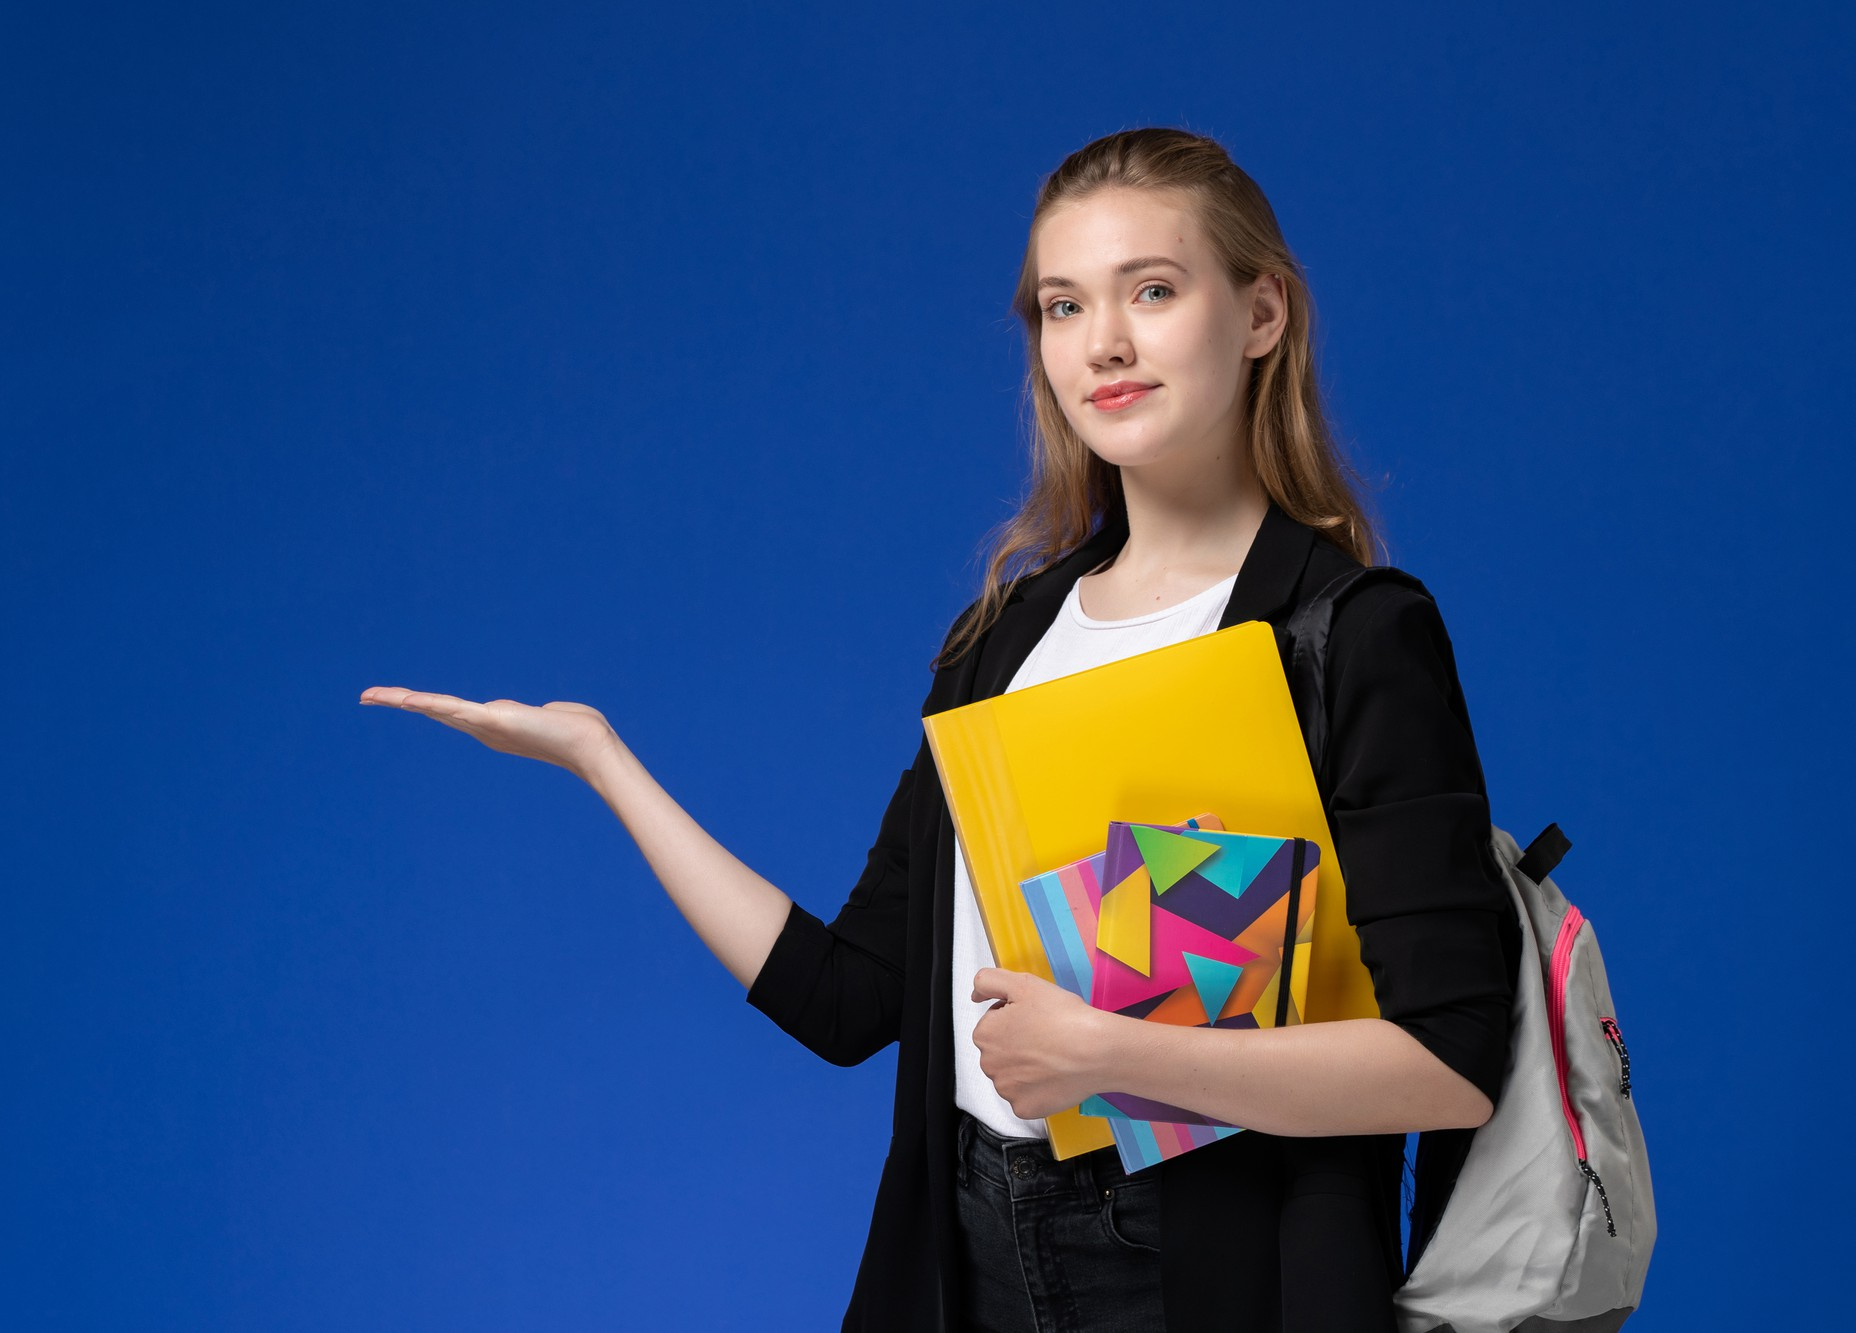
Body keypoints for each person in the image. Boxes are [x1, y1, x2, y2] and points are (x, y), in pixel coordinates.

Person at [359, 127, 1522, 1333]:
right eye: (1063, 306)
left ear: (1262, 313)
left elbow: (1445, 1064)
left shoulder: (1346, 632)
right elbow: (848, 998)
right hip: (966, 1251)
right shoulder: (1005, 639)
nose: (1104, 343)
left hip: (1213, 1274)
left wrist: (1114, 1057)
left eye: (1154, 291)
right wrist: (603, 762)